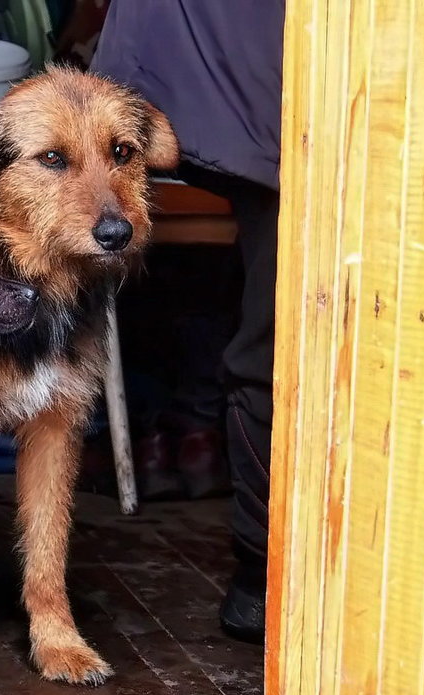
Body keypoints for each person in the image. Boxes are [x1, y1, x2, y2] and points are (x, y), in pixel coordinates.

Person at [90, 0, 286, 644]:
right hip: (271, 79)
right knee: (278, 330)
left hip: (228, 79)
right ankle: (262, 570)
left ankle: (185, 442)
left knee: (269, 320)